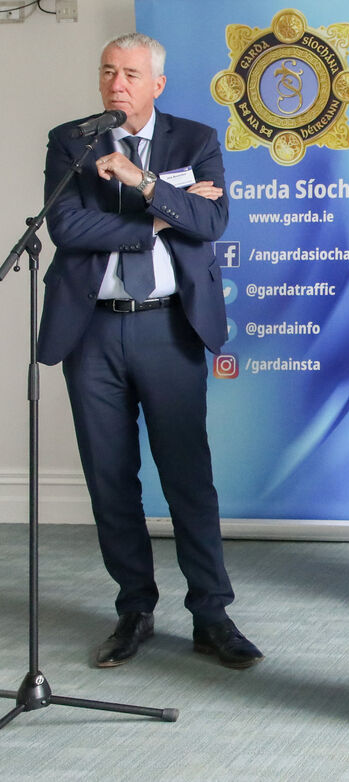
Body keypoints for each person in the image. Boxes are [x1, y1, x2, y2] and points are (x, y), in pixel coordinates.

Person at [39, 33, 262, 669]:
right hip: (92, 330)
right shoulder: (72, 140)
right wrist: (162, 217)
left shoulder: (195, 140)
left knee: (187, 477)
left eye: (131, 74)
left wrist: (141, 180)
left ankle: (211, 614)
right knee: (110, 478)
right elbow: (66, 228)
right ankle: (134, 609)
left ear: (157, 84)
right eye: (108, 71)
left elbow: (212, 222)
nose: (117, 83)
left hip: (169, 327)